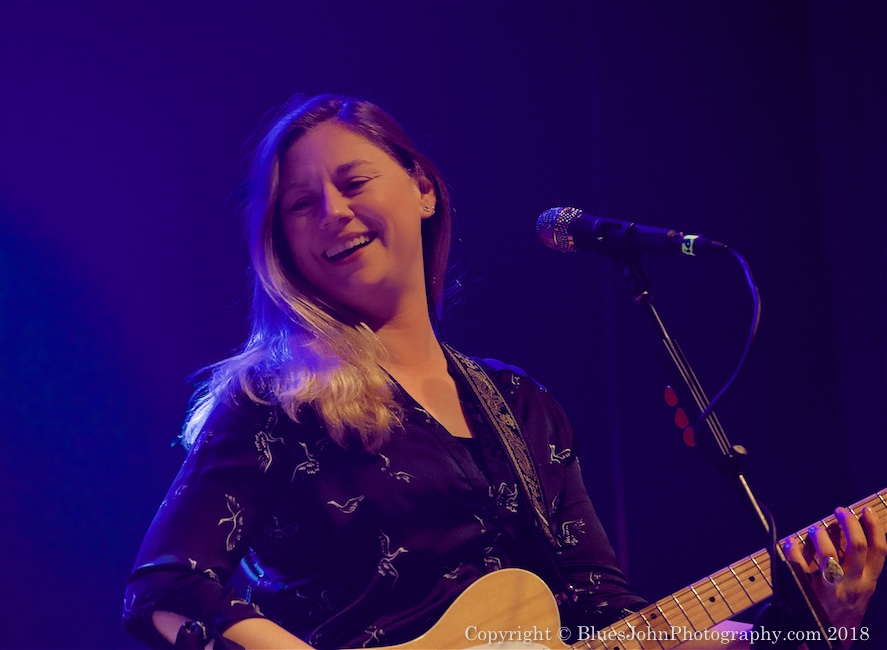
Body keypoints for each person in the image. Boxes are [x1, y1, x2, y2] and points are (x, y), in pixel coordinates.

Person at [124, 94, 884, 650]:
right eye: (299, 204)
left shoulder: (522, 407)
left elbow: (605, 618)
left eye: (352, 183)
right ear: (280, 243)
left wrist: (812, 629)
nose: (331, 210)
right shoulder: (274, 399)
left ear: (422, 189)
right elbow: (165, 588)